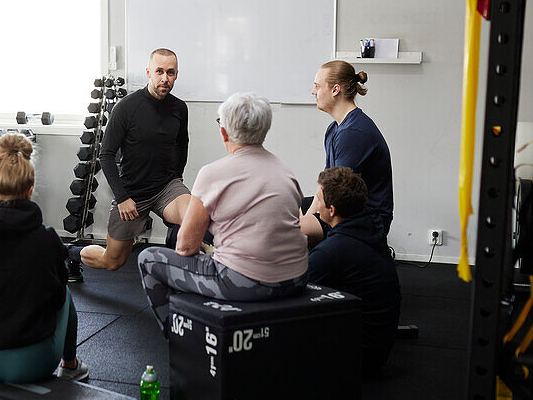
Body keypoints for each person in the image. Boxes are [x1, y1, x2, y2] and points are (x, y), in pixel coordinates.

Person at [137, 92, 308, 331]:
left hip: (243, 282)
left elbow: (185, 247)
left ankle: (179, 339)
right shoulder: (286, 172)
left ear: (224, 132)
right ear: (265, 130)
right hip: (297, 278)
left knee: (148, 258)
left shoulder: (213, 173)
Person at [0, 133, 89, 382]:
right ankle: (71, 365)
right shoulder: (46, 240)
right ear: (30, 188)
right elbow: (54, 300)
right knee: (65, 294)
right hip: (29, 365)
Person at [72, 48, 191, 278]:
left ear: (176, 74)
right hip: (132, 194)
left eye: (170, 72)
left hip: (166, 188)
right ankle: (73, 255)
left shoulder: (179, 108)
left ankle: (187, 279)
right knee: (113, 261)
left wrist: (178, 178)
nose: (164, 78)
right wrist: (123, 198)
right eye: (159, 71)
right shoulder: (126, 107)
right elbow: (106, 155)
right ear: (148, 72)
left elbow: (182, 145)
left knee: (195, 215)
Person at [307, 166, 401, 376]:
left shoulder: (333, 251)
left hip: (359, 359)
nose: (316, 205)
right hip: (378, 348)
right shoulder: (370, 228)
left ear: (331, 210)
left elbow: (292, 290)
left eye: (319, 199)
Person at [301, 61, 394, 246]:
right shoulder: (334, 129)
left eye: (317, 86)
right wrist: (306, 216)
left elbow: (334, 190)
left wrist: (305, 220)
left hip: (365, 220)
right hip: (341, 205)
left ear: (335, 90)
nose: (313, 92)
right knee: (289, 208)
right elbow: (326, 184)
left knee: (285, 228)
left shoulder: (353, 133)